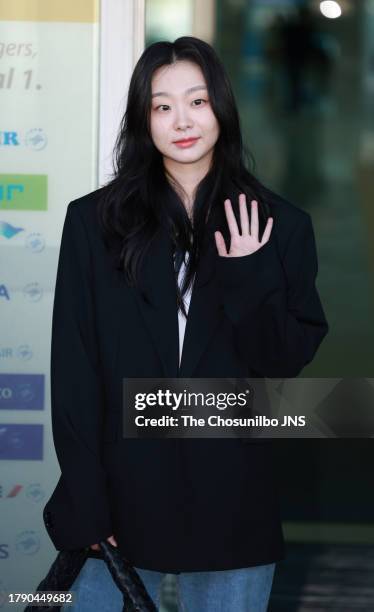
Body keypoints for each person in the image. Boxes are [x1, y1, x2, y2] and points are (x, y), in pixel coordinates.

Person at [43, 36, 329, 611]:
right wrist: (89, 500)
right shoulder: (93, 223)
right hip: (116, 499)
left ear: (222, 107)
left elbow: (282, 360)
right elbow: (74, 371)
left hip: (233, 501)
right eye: (162, 105)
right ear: (143, 119)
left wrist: (250, 273)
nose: (182, 121)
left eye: (197, 101)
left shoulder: (282, 226)